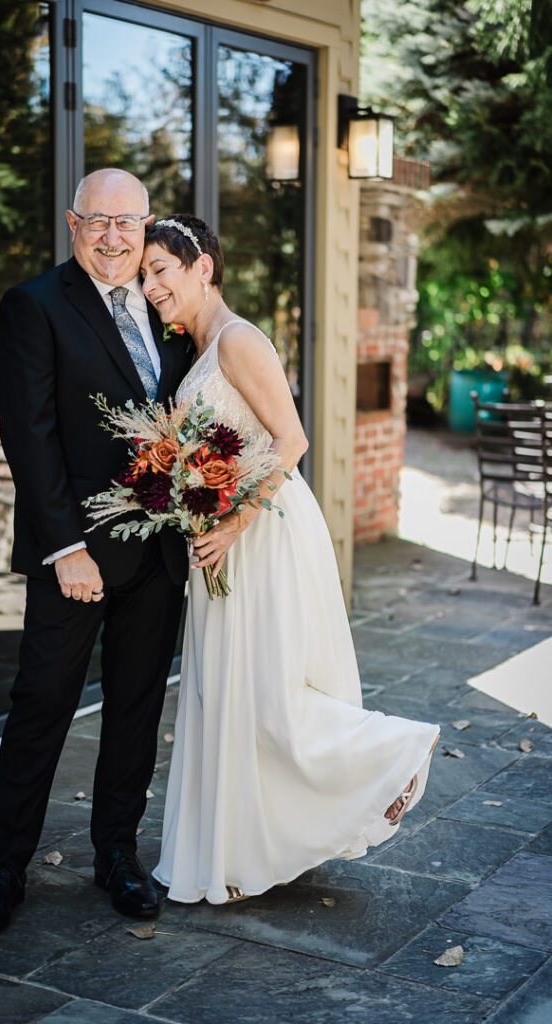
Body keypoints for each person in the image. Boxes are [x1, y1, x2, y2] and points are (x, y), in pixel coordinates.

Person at [140, 215, 440, 905]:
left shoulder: (239, 340)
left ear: (202, 269)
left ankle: (392, 756)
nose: (151, 285)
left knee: (268, 696)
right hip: (225, 534)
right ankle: (239, 856)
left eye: (161, 269)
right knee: (230, 695)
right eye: (145, 274)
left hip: (263, 531)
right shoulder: (197, 349)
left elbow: (291, 439)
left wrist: (234, 522)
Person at [0, 169, 191, 933]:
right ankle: (4, 869)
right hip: (77, 559)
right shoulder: (35, 305)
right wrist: (66, 548)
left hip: (156, 555)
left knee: (135, 708)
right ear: (72, 224)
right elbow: (29, 437)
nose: (112, 236)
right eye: (97, 221)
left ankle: (116, 857)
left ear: (146, 226)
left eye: (127, 223)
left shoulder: (165, 307)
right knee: (41, 707)